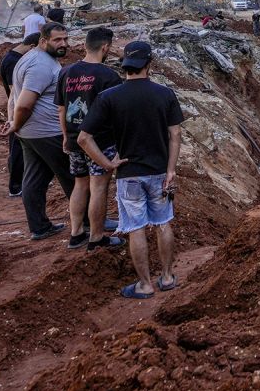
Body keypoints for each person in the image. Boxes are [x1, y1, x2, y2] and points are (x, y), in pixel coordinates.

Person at [78, 41, 184, 299]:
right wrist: (171, 170)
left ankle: (145, 284)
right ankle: (168, 277)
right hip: (159, 172)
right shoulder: (165, 94)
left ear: (125, 64)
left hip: (129, 174)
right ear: (149, 64)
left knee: (136, 227)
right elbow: (175, 134)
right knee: (162, 222)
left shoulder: (109, 97)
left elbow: (83, 138)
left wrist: (107, 163)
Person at [0, 22, 73, 241]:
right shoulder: (41, 65)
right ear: (43, 41)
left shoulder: (30, 58)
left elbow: (14, 96)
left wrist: (16, 124)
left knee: (34, 179)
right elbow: (24, 103)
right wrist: (15, 123)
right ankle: (89, 222)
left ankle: (39, 226)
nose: (63, 44)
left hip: (30, 133)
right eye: (57, 40)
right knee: (73, 177)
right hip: (47, 132)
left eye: (65, 39)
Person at [55, 27, 124, 251]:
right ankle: (96, 237)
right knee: (99, 187)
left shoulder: (66, 72)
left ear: (85, 45)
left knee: (80, 184)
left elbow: (62, 109)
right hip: (100, 142)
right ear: (105, 47)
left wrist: (66, 137)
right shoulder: (109, 77)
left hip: (75, 139)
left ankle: (76, 233)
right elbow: (117, 115)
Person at [0, 33, 38, 197]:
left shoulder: (8, 57)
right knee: (18, 149)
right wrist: (13, 118)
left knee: (16, 149)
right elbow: (15, 94)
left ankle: (18, 183)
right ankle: (16, 186)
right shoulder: (16, 62)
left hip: (16, 109)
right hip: (18, 110)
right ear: (33, 46)